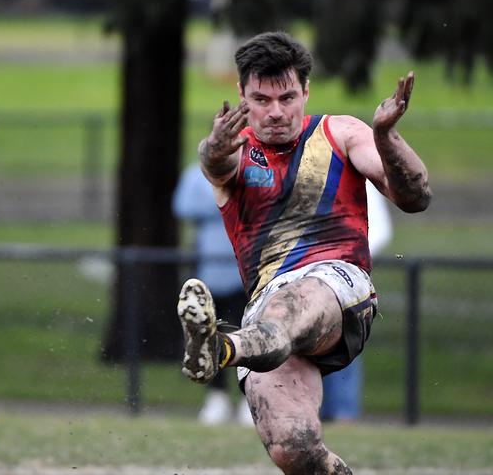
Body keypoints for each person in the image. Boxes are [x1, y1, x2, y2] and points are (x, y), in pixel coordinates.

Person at [177, 31, 431, 474]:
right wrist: (214, 149)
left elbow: (416, 196)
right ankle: (227, 348)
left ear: (305, 91)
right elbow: (214, 160)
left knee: (287, 309)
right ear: (241, 94)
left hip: (339, 286)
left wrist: (387, 137)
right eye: (261, 99)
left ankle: (218, 348)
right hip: (267, 311)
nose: (275, 111)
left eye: (287, 97)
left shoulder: (342, 132)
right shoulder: (235, 152)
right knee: (293, 450)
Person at [172, 162, 253, 425]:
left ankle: (247, 399)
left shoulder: (252, 170)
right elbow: (182, 205)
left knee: (246, 334)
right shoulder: (195, 174)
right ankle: (216, 397)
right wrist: (223, 199)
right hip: (210, 271)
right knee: (208, 335)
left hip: (244, 273)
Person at [320, 182, 393, 423]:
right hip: (307, 275)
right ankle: (310, 412)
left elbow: (380, 230)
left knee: (344, 341)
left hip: (346, 277)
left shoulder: (356, 177)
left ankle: (343, 412)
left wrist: (350, 260)